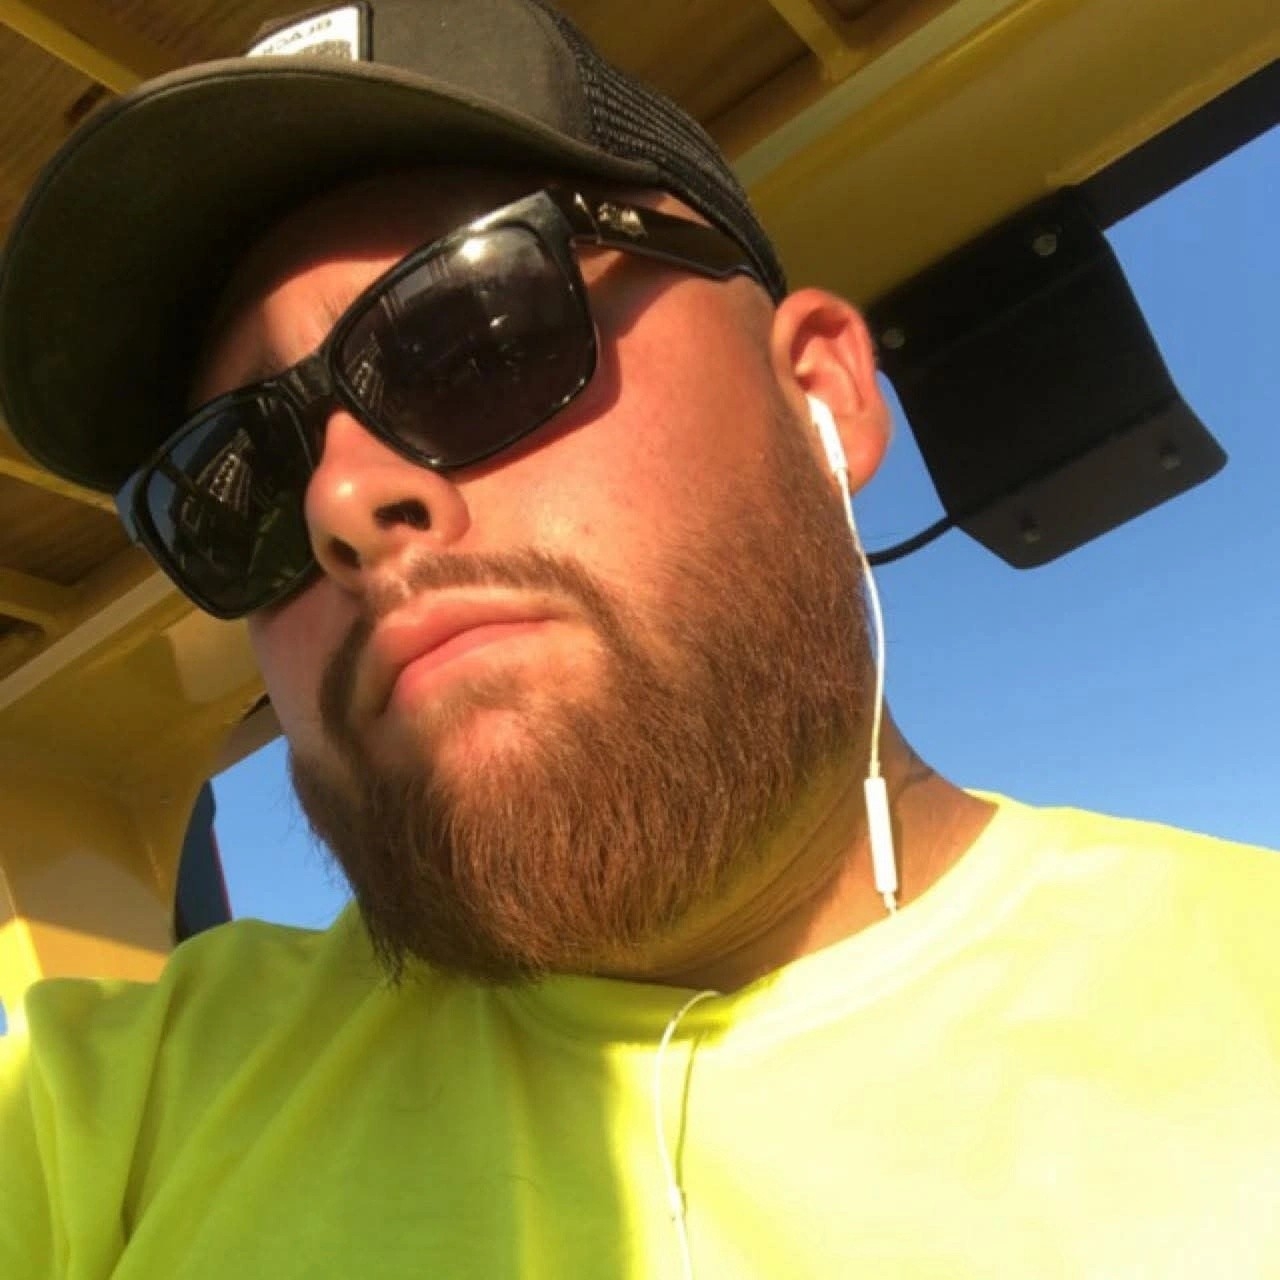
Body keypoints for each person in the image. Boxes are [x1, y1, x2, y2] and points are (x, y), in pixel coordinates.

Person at [1, 1, 1277, 1275]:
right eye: (239, 482)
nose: (339, 499)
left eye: (471, 334)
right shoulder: (113, 1110)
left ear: (819, 394)